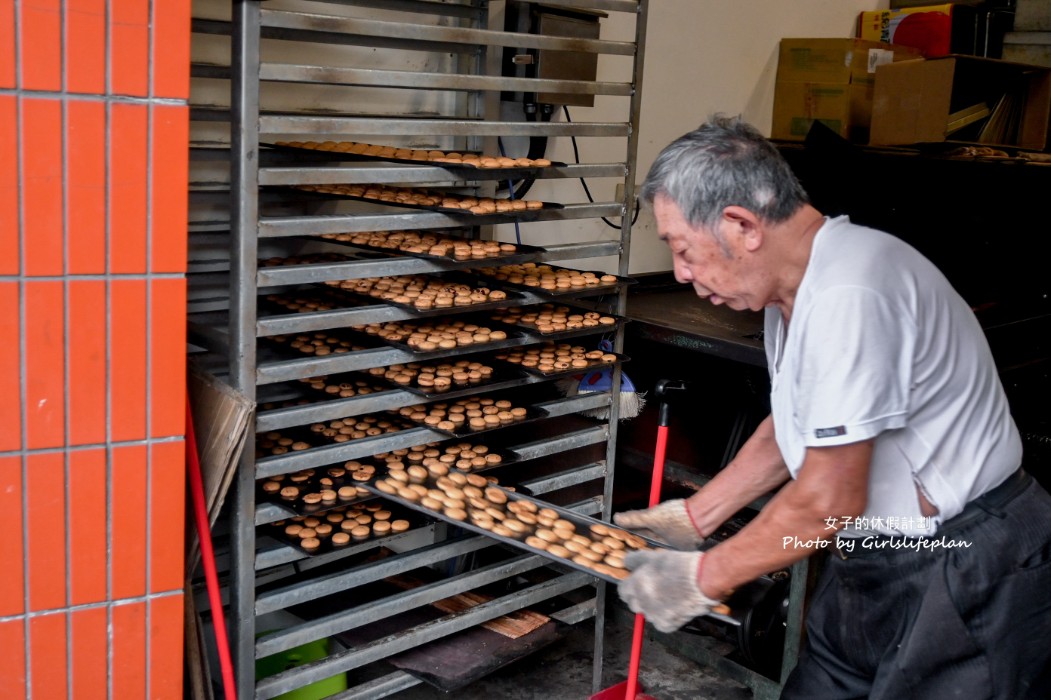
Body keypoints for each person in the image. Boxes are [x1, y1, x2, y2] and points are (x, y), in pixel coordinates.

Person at [614, 115, 1051, 699]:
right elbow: (795, 422)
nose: (681, 273)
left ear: (741, 225)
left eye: (684, 250)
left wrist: (702, 578)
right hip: (873, 555)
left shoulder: (853, 291)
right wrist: (695, 518)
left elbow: (828, 499)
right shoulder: (794, 291)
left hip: (965, 562)